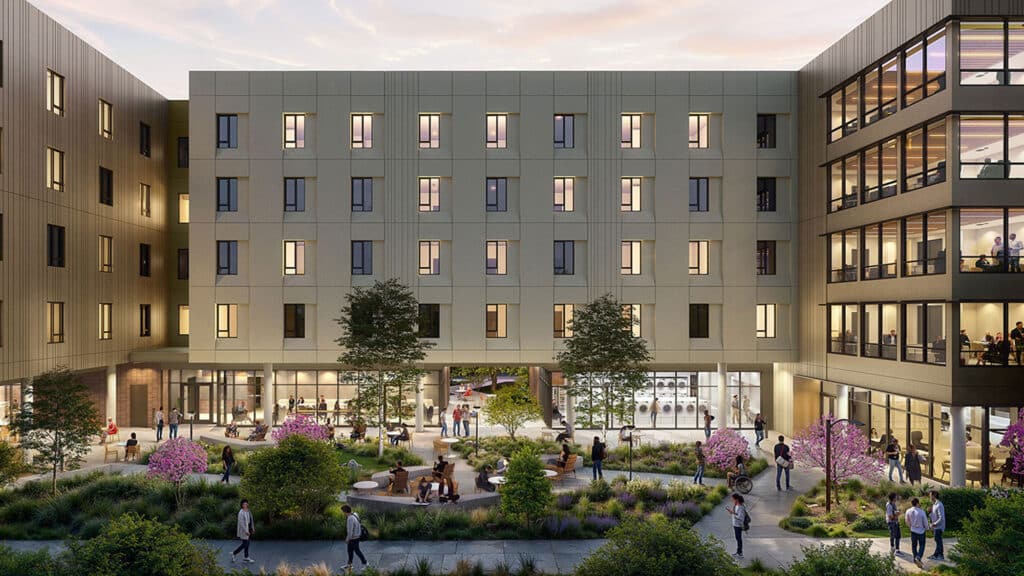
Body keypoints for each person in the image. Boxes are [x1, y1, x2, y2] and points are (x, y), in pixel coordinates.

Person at [342, 504, 367, 572]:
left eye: (343, 512)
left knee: (357, 551)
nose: (343, 513)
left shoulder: (350, 518)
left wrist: (347, 539)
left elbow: (350, 531)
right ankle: (349, 565)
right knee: (350, 551)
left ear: (345, 511)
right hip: (357, 537)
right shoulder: (355, 514)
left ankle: (366, 564)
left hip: (353, 538)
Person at [905, 497, 928, 568]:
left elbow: (907, 521)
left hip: (913, 531)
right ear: (917, 503)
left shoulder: (908, 511)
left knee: (914, 545)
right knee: (922, 545)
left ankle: (915, 558)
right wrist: (927, 528)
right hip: (921, 531)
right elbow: (925, 522)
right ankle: (918, 557)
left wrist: (910, 527)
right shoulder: (921, 512)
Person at [231, 499, 255, 564]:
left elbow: (251, 519)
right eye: (244, 504)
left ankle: (246, 557)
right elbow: (241, 523)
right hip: (244, 530)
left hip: (249, 528)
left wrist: (252, 528)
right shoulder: (241, 512)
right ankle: (234, 553)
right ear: (241, 505)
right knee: (245, 544)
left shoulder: (248, 511)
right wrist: (246, 531)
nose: (245, 505)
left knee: (247, 543)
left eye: (246, 503)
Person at [727, 494, 747, 558]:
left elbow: (741, 517)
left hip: (738, 525)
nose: (732, 500)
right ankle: (738, 552)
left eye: (733, 499)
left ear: (737, 499)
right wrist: (732, 512)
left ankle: (740, 552)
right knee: (737, 538)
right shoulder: (736, 505)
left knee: (738, 539)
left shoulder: (741, 507)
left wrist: (733, 513)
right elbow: (736, 514)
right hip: (735, 524)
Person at [928, 490, 945, 561]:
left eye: (930, 495)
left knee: (938, 540)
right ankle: (939, 555)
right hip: (935, 526)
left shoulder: (939, 505)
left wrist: (934, 524)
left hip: (939, 526)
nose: (929, 496)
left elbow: (941, 517)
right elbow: (934, 516)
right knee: (938, 540)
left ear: (934, 496)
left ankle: (937, 555)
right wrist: (930, 512)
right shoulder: (934, 505)